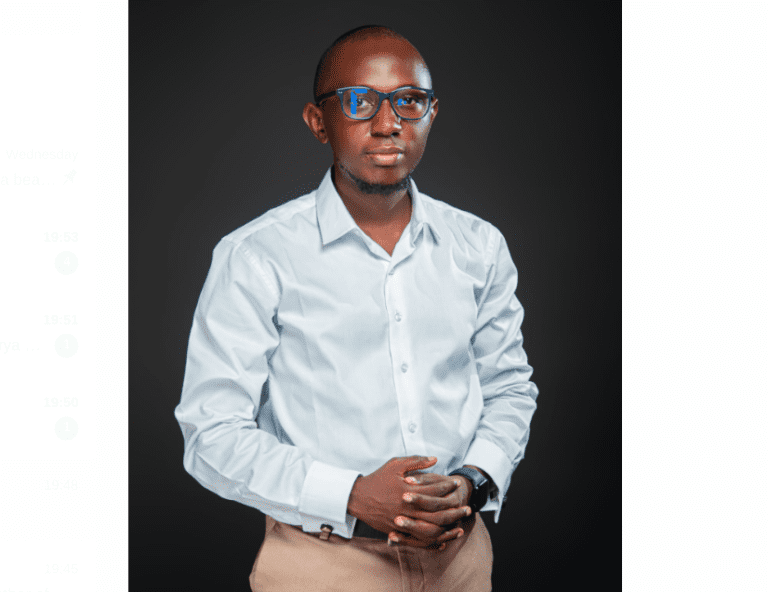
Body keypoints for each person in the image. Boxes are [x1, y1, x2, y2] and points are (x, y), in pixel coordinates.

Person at [174, 24, 539, 592]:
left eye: (409, 101)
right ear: (318, 122)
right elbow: (212, 434)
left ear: (431, 113)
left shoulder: (479, 245)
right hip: (321, 565)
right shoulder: (256, 256)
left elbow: (510, 388)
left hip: (460, 562)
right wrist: (351, 494)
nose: (388, 123)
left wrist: (473, 480)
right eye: (359, 101)